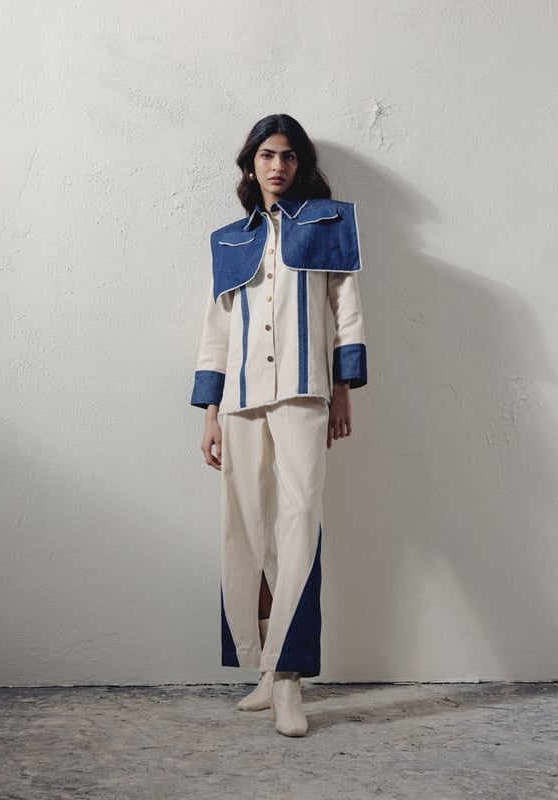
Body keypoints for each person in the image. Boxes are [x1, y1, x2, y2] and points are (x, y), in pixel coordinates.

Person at [191, 114, 367, 737]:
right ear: (251, 163)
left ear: (301, 164)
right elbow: (216, 332)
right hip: (239, 400)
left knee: (300, 523)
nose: (277, 166)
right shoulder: (230, 241)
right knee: (247, 526)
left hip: (303, 392)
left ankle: (290, 678)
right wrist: (210, 413)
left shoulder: (327, 223)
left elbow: (346, 311)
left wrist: (342, 390)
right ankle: (266, 667)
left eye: (289, 156)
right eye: (267, 155)